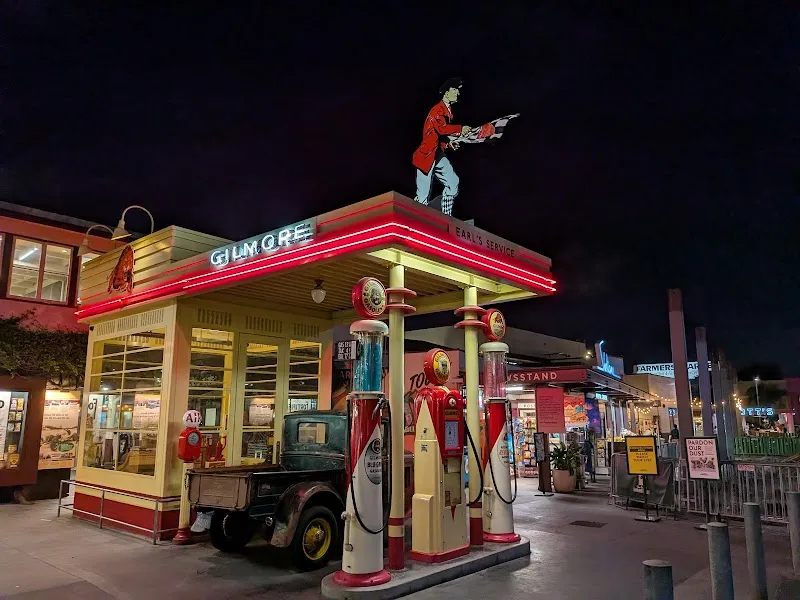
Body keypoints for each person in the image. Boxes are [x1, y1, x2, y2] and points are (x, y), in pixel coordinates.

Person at [412, 77, 473, 216]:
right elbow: (441, 128)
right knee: (422, 197)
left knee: (453, 182)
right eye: (455, 90)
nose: (458, 93)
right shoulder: (437, 110)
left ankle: (446, 216)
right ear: (447, 92)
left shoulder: (448, 110)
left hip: (437, 153)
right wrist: (461, 129)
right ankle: (410, 218)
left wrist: (450, 143)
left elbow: (438, 134)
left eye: (458, 90)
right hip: (426, 156)